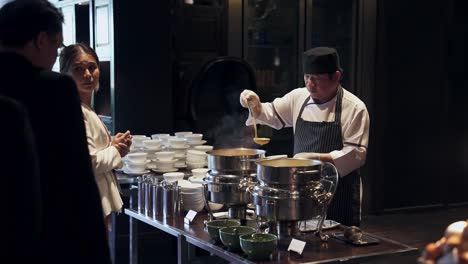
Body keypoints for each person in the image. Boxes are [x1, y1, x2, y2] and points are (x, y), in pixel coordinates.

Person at [0, 1, 111, 263]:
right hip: (46, 237)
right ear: (40, 39)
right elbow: (78, 180)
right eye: (56, 46)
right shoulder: (54, 88)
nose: (54, 56)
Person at [240, 47, 370, 226]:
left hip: (338, 194)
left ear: (337, 76)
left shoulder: (354, 108)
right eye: (307, 77)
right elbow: (271, 114)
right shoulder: (299, 97)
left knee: (337, 244)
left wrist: (316, 159)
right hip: (300, 195)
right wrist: (255, 106)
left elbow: (356, 155)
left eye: (316, 78)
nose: (310, 84)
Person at [59, 43, 132, 234]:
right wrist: (116, 150)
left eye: (92, 67)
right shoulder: (75, 110)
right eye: (78, 69)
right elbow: (89, 163)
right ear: (64, 73)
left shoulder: (84, 107)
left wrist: (112, 144)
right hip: (87, 199)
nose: (88, 74)